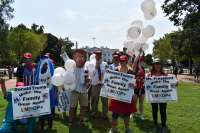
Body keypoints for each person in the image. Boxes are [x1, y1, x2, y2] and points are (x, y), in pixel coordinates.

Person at [108, 54, 137, 133]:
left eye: (123, 61)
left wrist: (133, 88)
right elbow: (110, 81)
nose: (122, 62)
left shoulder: (131, 72)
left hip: (127, 96)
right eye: (120, 61)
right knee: (115, 113)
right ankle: (113, 128)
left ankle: (127, 128)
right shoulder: (115, 70)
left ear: (126, 61)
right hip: (116, 95)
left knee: (127, 113)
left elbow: (134, 84)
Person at [35, 55, 57, 130]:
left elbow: (54, 79)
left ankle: (50, 125)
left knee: (49, 109)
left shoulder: (50, 67)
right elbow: (36, 79)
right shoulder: (39, 68)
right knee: (41, 109)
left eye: (46, 64)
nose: (45, 65)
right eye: (43, 64)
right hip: (41, 92)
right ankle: (41, 125)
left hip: (49, 91)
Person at [68, 49, 90, 126]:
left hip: (83, 91)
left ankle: (81, 120)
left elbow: (88, 80)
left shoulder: (86, 68)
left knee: (84, 106)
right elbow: (66, 59)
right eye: (78, 57)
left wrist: (88, 81)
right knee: (72, 107)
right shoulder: (72, 67)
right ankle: (70, 121)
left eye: (82, 57)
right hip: (75, 90)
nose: (80, 59)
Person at [147, 59, 168, 133]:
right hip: (153, 96)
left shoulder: (164, 74)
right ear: (153, 65)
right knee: (154, 110)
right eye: (156, 64)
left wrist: (175, 82)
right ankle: (155, 124)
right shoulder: (149, 74)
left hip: (163, 96)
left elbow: (170, 82)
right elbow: (146, 84)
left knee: (163, 111)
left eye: (159, 64)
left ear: (161, 65)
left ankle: (163, 126)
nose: (157, 65)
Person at [90, 50, 108, 119]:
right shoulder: (92, 64)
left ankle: (104, 114)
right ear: (95, 55)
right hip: (95, 85)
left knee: (104, 101)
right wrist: (96, 67)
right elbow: (91, 75)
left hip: (103, 86)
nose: (98, 56)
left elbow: (107, 74)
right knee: (94, 100)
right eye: (97, 55)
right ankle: (94, 113)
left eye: (100, 54)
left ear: (101, 55)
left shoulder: (105, 64)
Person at [134, 56, 145, 120]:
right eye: (142, 61)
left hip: (142, 87)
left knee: (141, 102)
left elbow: (144, 78)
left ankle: (141, 114)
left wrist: (144, 80)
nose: (143, 62)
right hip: (135, 87)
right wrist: (139, 53)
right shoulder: (135, 68)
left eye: (143, 61)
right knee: (134, 101)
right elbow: (135, 62)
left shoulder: (143, 69)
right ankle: (132, 113)